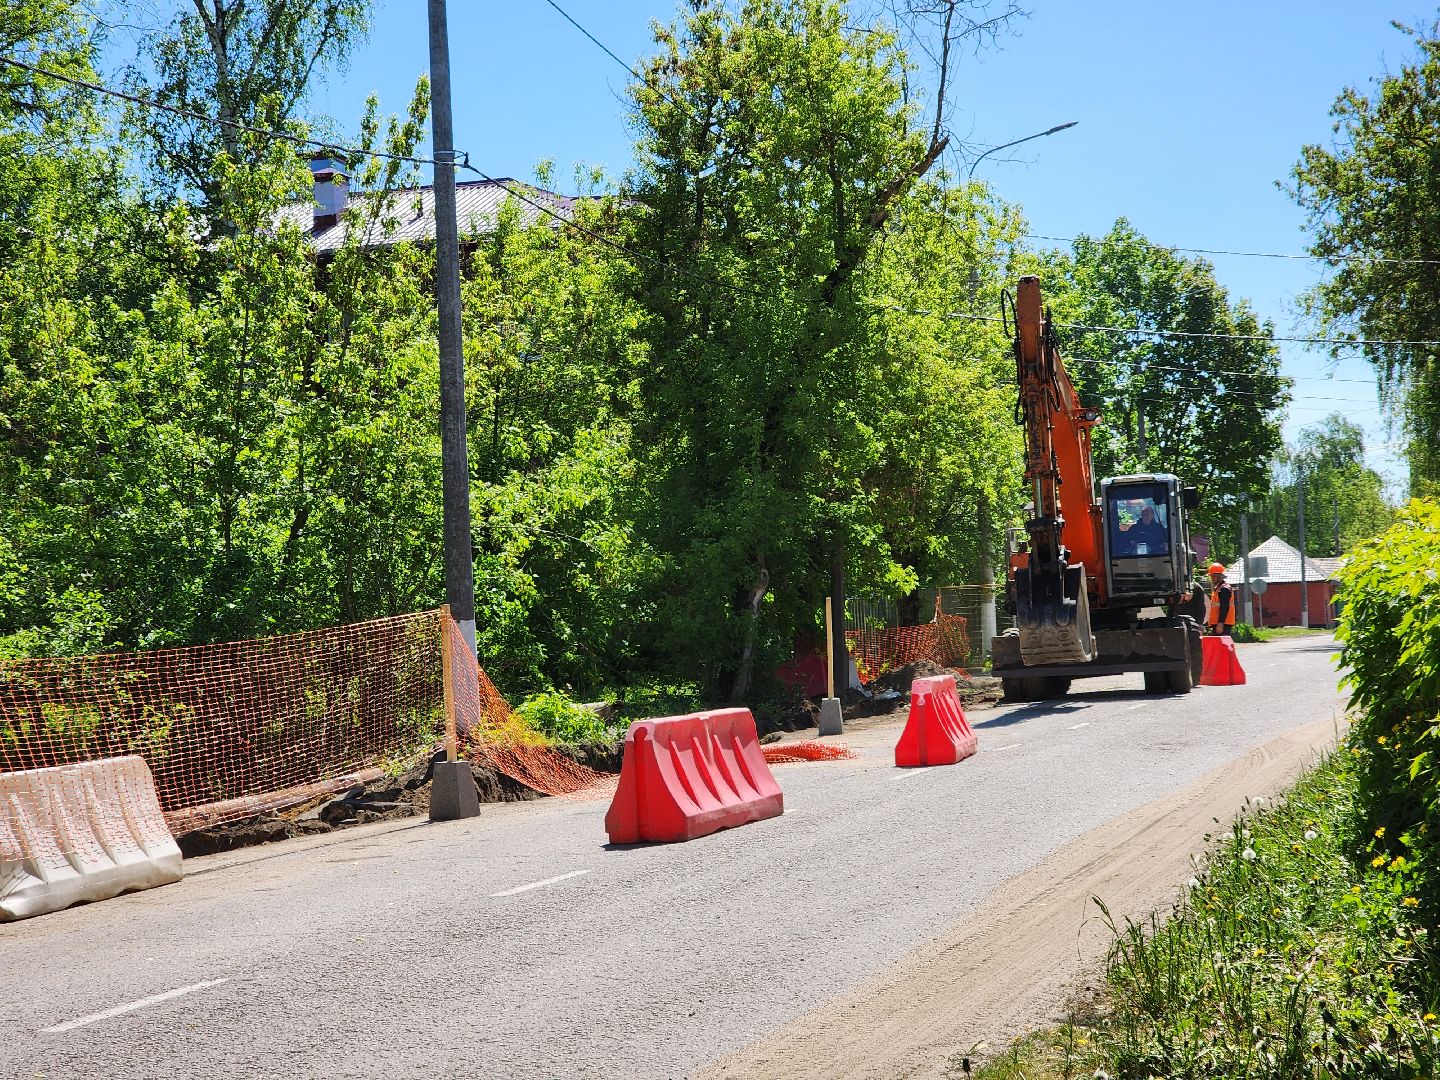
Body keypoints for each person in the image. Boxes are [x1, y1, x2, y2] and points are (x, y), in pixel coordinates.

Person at [1206, 562, 1236, 636]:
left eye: (1214, 576)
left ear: (1220, 576)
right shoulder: (1219, 588)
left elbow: (1224, 607)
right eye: (1211, 576)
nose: (1212, 578)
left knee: (1220, 646)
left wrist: (1220, 624)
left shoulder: (1224, 589)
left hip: (1223, 624)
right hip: (1220, 623)